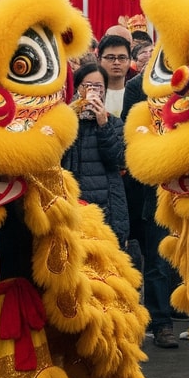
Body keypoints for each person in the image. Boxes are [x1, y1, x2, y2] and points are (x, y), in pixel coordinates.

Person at [62, 63, 130, 244]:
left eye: (98, 87)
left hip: (107, 204)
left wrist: (103, 125)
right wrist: (67, 120)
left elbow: (120, 159)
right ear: (77, 88)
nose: (93, 91)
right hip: (73, 204)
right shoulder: (65, 121)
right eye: (86, 86)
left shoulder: (113, 123)